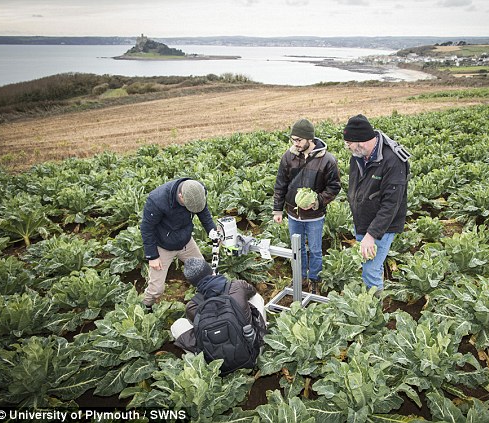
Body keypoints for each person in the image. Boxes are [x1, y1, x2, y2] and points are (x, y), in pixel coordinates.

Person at [342, 114, 410, 297]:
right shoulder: (357, 156)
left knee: (371, 269)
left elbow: (391, 204)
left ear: (361, 142)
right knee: (367, 264)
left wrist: (371, 235)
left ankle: (374, 314)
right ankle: (370, 298)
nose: (347, 147)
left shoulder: (393, 161)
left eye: (348, 143)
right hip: (363, 220)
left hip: (382, 225)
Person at [273, 118, 341, 294]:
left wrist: (317, 201)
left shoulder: (327, 160)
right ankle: (301, 277)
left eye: (299, 140)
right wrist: (277, 209)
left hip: (314, 215)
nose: (295, 144)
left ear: (309, 139)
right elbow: (281, 184)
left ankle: (314, 280)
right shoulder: (288, 156)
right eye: (293, 140)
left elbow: (334, 187)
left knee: (316, 249)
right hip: (293, 213)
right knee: (297, 248)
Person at [140, 177, 219, 310]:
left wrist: (213, 232)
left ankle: (210, 303)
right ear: (180, 196)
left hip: (186, 241)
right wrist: (152, 256)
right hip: (163, 246)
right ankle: (145, 308)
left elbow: (204, 213)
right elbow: (147, 228)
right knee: (156, 289)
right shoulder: (157, 200)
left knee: (205, 273)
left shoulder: (197, 190)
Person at [170, 257, 267, 362]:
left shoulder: (192, 306)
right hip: (251, 354)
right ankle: (263, 344)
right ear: (211, 271)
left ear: (193, 283)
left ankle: (203, 363)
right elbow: (252, 291)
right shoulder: (237, 286)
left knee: (178, 325)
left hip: (217, 364)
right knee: (255, 298)